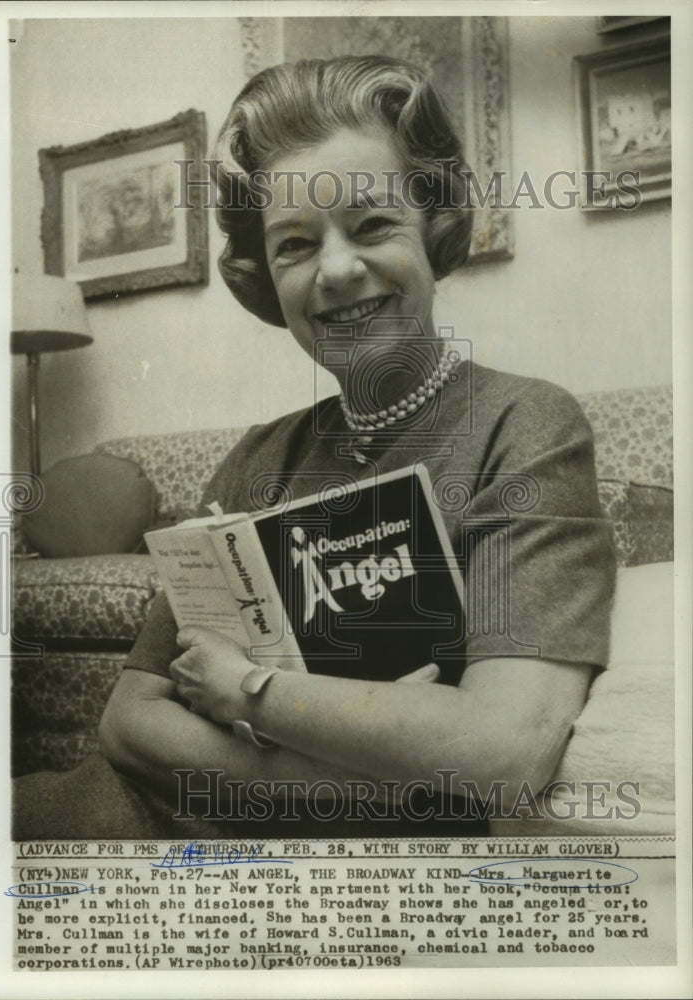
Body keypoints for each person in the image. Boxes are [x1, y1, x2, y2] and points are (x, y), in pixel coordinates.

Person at [35, 56, 615, 839]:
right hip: (110, 815)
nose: (337, 270)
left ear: (435, 226)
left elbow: (503, 753)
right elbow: (127, 721)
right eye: (295, 244)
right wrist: (364, 763)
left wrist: (246, 693)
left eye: (374, 225)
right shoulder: (254, 459)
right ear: (266, 278)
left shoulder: (525, 427)